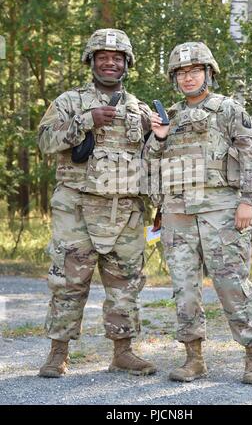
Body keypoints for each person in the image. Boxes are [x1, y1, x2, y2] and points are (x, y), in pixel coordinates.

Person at [143, 41, 252, 385]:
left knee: (232, 284)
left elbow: (250, 155)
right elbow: (151, 164)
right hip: (178, 214)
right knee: (184, 288)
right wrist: (160, 137)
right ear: (174, 79)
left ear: (208, 73)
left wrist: (247, 200)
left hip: (222, 210)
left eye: (195, 70)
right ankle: (194, 358)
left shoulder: (228, 109)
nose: (188, 77)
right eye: (181, 73)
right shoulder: (170, 116)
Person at [38, 28, 156, 378]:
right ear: (91, 61)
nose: (109, 62)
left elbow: (157, 158)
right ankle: (58, 353)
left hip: (125, 210)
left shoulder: (140, 110)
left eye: (116, 58)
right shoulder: (68, 102)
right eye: (102, 56)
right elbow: (45, 141)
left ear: (126, 64)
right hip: (76, 206)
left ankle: (123, 352)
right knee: (68, 281)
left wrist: (157, 133)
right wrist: (85, 122)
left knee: (126, 283)